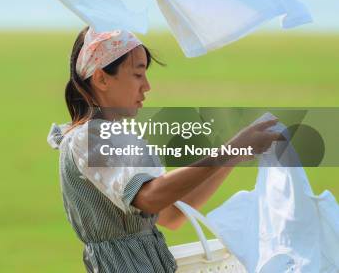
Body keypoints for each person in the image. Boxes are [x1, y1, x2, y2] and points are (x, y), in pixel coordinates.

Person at [47, 26, 282, 272]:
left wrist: (235, 155)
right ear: (101, 78)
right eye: (138, 74)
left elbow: (171, 215)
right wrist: (229, 150)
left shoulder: (109, 138)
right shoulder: (89, 138)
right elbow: (150, 197)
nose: (147, 86)